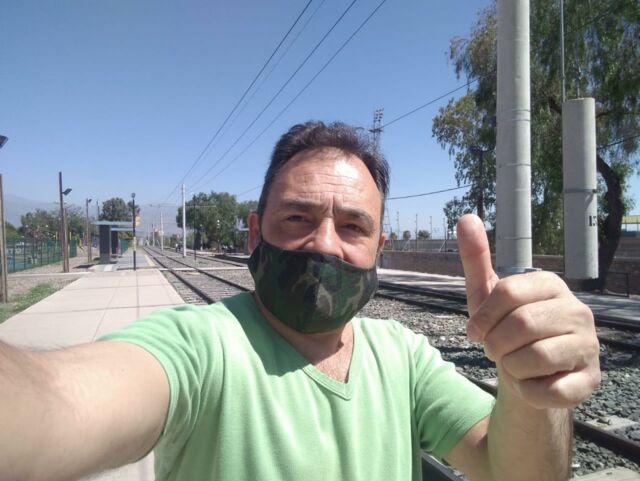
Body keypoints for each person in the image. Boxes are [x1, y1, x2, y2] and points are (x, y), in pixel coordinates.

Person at [0, 121, 600, 481]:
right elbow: (55, 404)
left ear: (379, 250)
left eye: (353, 227)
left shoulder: (405, 358)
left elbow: (518, 472)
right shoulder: (200, 347)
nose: (325, 244)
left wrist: (533, 393)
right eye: (297, 218)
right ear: (255, 233)